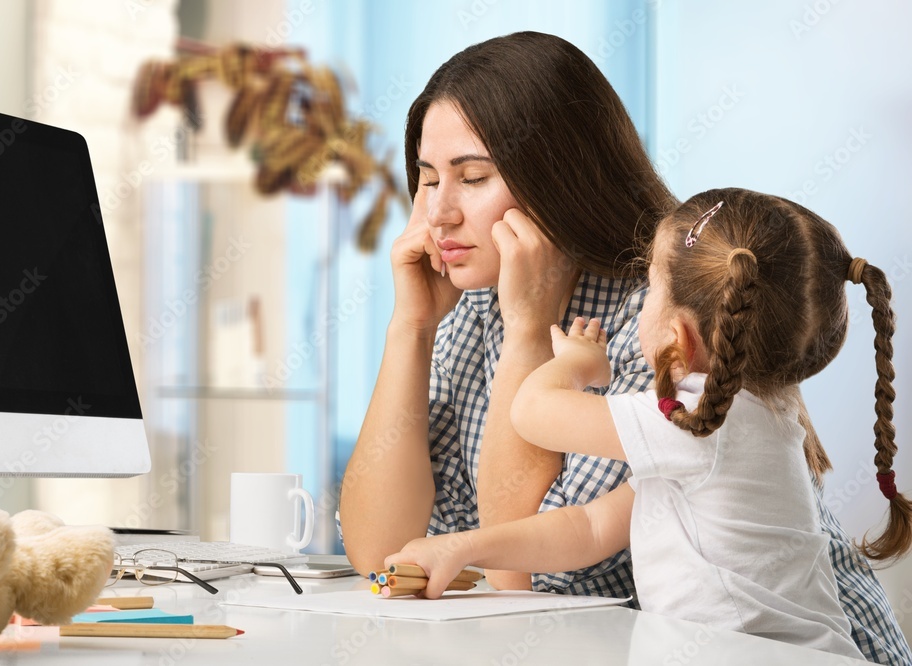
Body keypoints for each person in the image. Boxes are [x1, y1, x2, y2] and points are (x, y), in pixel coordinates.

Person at [339, 31, 911, 664]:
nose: (438, 213)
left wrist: (530, 332)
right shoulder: (473, 303)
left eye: (472, 178)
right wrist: (410, 330)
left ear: (557, 179)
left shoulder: (673, 325)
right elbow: (380, 556)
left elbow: (541, 580)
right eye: (425, 180)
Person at [385, 187, 911, 658]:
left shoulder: (711, 427)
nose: (639, 304)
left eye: (651, 288)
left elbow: (530, 411)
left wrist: (574, 363)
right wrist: (462, 548)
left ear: (677, 337)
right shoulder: (736, 421)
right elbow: (586, 528)